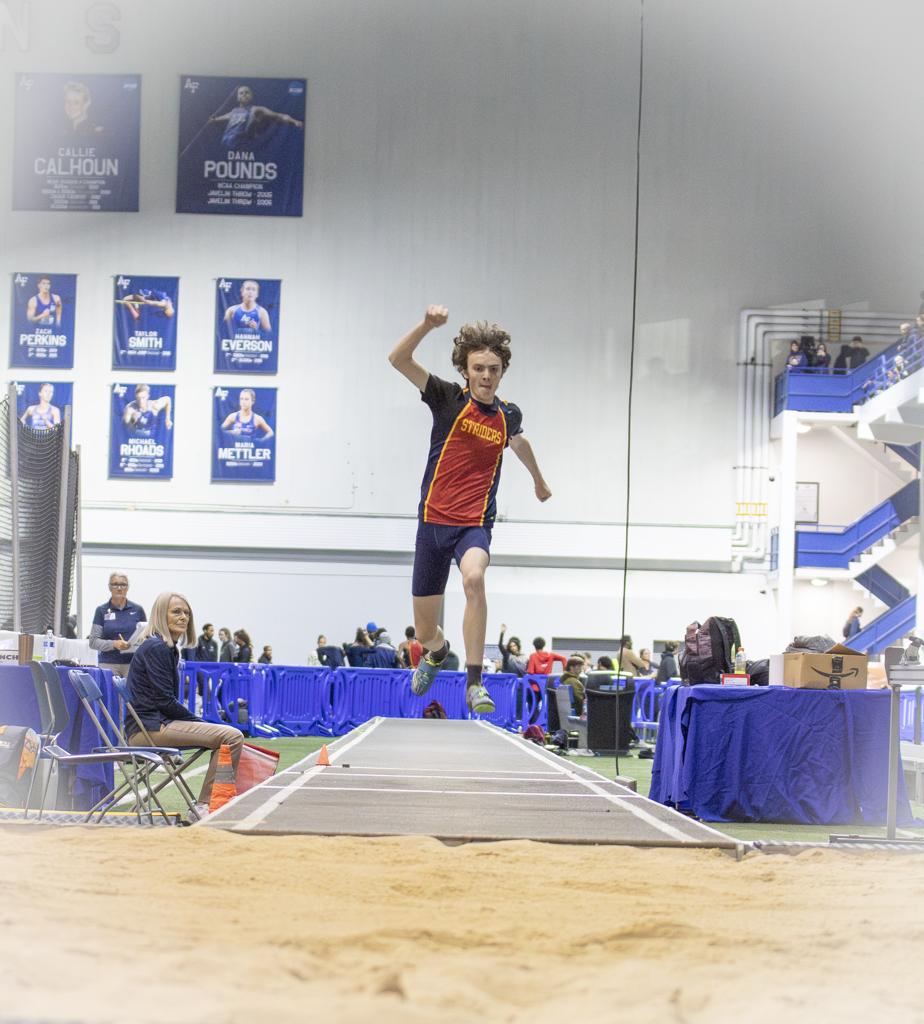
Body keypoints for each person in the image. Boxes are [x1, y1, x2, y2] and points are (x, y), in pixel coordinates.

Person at [389, 305, 551, 714]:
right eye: (478, 368)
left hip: (474, 525)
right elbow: (398, 359)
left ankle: (474, 683)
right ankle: (437, 651)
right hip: (433, 525)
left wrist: (538, 480)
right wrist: (427, 325)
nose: (486, 376)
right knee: (424, 630)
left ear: (502, 371)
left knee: (474, 578)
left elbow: (519, 442)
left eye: (494, 369)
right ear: (465, 370)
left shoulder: (508, 414)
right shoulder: (446, 398)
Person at [125, 591, 243, 819]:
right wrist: (199, 722)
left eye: (187, 613)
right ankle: (206, 806)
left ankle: (208, 804)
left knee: (227, 735)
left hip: (153, 724)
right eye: (176, 612)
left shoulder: (166, 647)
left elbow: (165, 700)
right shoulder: (157, 647)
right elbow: (164, 700)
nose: (183, 617)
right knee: (232, 737)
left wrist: (199, 724)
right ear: (161, 615)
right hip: (148, 729)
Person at [88, 571, 146, 678]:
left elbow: (146, 637)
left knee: (131, 690)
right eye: (115, 584)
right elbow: (93, 642)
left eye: (123, 585)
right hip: (108, 664)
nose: (119, 588)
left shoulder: (138, 610)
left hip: (133, 664)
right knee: (109, 689)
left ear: (127, 588)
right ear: (109, 587)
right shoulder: (101, 610)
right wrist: (114, 644)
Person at [209, 85, 303, 149]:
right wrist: (214, 120)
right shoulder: (234, 111)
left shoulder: (256, 109)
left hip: (240, 143)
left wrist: (294, 121)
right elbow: (222, 117)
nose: (244, 94)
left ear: (251, 96)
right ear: (237, 98)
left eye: (247, 92)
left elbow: (279, 116)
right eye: (241, 93)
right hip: (226, 142)